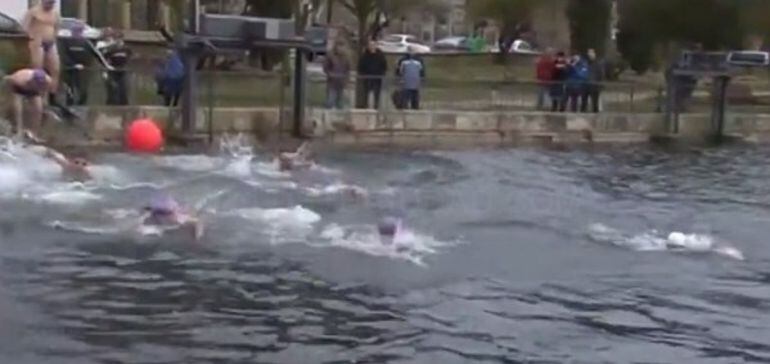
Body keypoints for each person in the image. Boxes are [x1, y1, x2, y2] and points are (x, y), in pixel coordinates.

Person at [23, 0, 61, 98]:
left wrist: (54, 37)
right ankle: (38, 95)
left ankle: (52, 95)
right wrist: (32, 38)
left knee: (55, 69)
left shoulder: (55, 13)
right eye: (49, 2)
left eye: (52, 3)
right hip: (37, 42)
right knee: (38, 69)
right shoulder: (33, 12)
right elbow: (24, 28)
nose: (51, 5)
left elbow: (57, 27)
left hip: (50, 42)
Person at [3, 69, 53, 135]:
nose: (39, 84)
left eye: (41, 83)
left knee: (38, 108)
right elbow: (8, 81)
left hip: (33, 91)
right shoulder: (19, 79)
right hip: (18, 87)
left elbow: (46, 92)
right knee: (17, 106)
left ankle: (34, 132)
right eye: (37, 83)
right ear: (32, 80)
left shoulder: (48, 81)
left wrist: (44, 100)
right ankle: (18, 129)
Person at [59, 23, 93, 106]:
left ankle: (82, 103)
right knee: (70, 87)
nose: (78, 33)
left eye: (80, 31)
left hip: (82, 69)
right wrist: (73, 64)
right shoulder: (66, 42)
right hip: (69, 68)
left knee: (82, 88)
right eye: (76, 31)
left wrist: (85, 65)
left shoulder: (86, 43)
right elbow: (63, 55)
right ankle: (69, 103)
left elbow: (90, 55)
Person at [102, 31, 133, 105]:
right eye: (117, 39)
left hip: (123, 71)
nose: (118, 41)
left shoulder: (127, 49)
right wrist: (107, 68)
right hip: (113, 70)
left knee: (123, 88)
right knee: (113, 89)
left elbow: (129, 58)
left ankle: (124, 104)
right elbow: (104, 59)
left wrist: (127, 66)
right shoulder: (111, 49)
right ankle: (111, 104)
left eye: (120, 39)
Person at [358, 40, 388, 109]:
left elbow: (384, 65)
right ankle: (365, 106)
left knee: (376, 93)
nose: (372, 47)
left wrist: (382, 73)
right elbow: (361, 66)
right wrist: (363, 74)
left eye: (373, 45)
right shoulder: (365, 55)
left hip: (377, 78)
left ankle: (376, 107)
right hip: (367, 78)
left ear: (376, 46)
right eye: (370, 45)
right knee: (366, 93)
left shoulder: (380, 55)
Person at [323, 44, 351, 109]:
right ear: (336, 47)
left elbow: (348, 70)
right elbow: (325, 68)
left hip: (341, 82)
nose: (340, 49)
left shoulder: (346, 57)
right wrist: (330, 74)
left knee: (340, 103)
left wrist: (347, 80)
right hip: (332, 82)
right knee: (330, 101)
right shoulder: (331, 56)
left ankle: (339, 117)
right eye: (339, 47)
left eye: (342, 47)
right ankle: (327, 115)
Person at [583, 48, 605, 113]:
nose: (590, 54)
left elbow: (601, 75)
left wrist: (600, 84)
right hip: (586, 85)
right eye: (589, 53)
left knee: (595, 102)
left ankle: (595, 113)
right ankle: (583, 113)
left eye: (591, 53)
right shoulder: (585, 63)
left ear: (594, 54)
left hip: (595, 86)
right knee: (584, 102)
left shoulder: (598, 64)